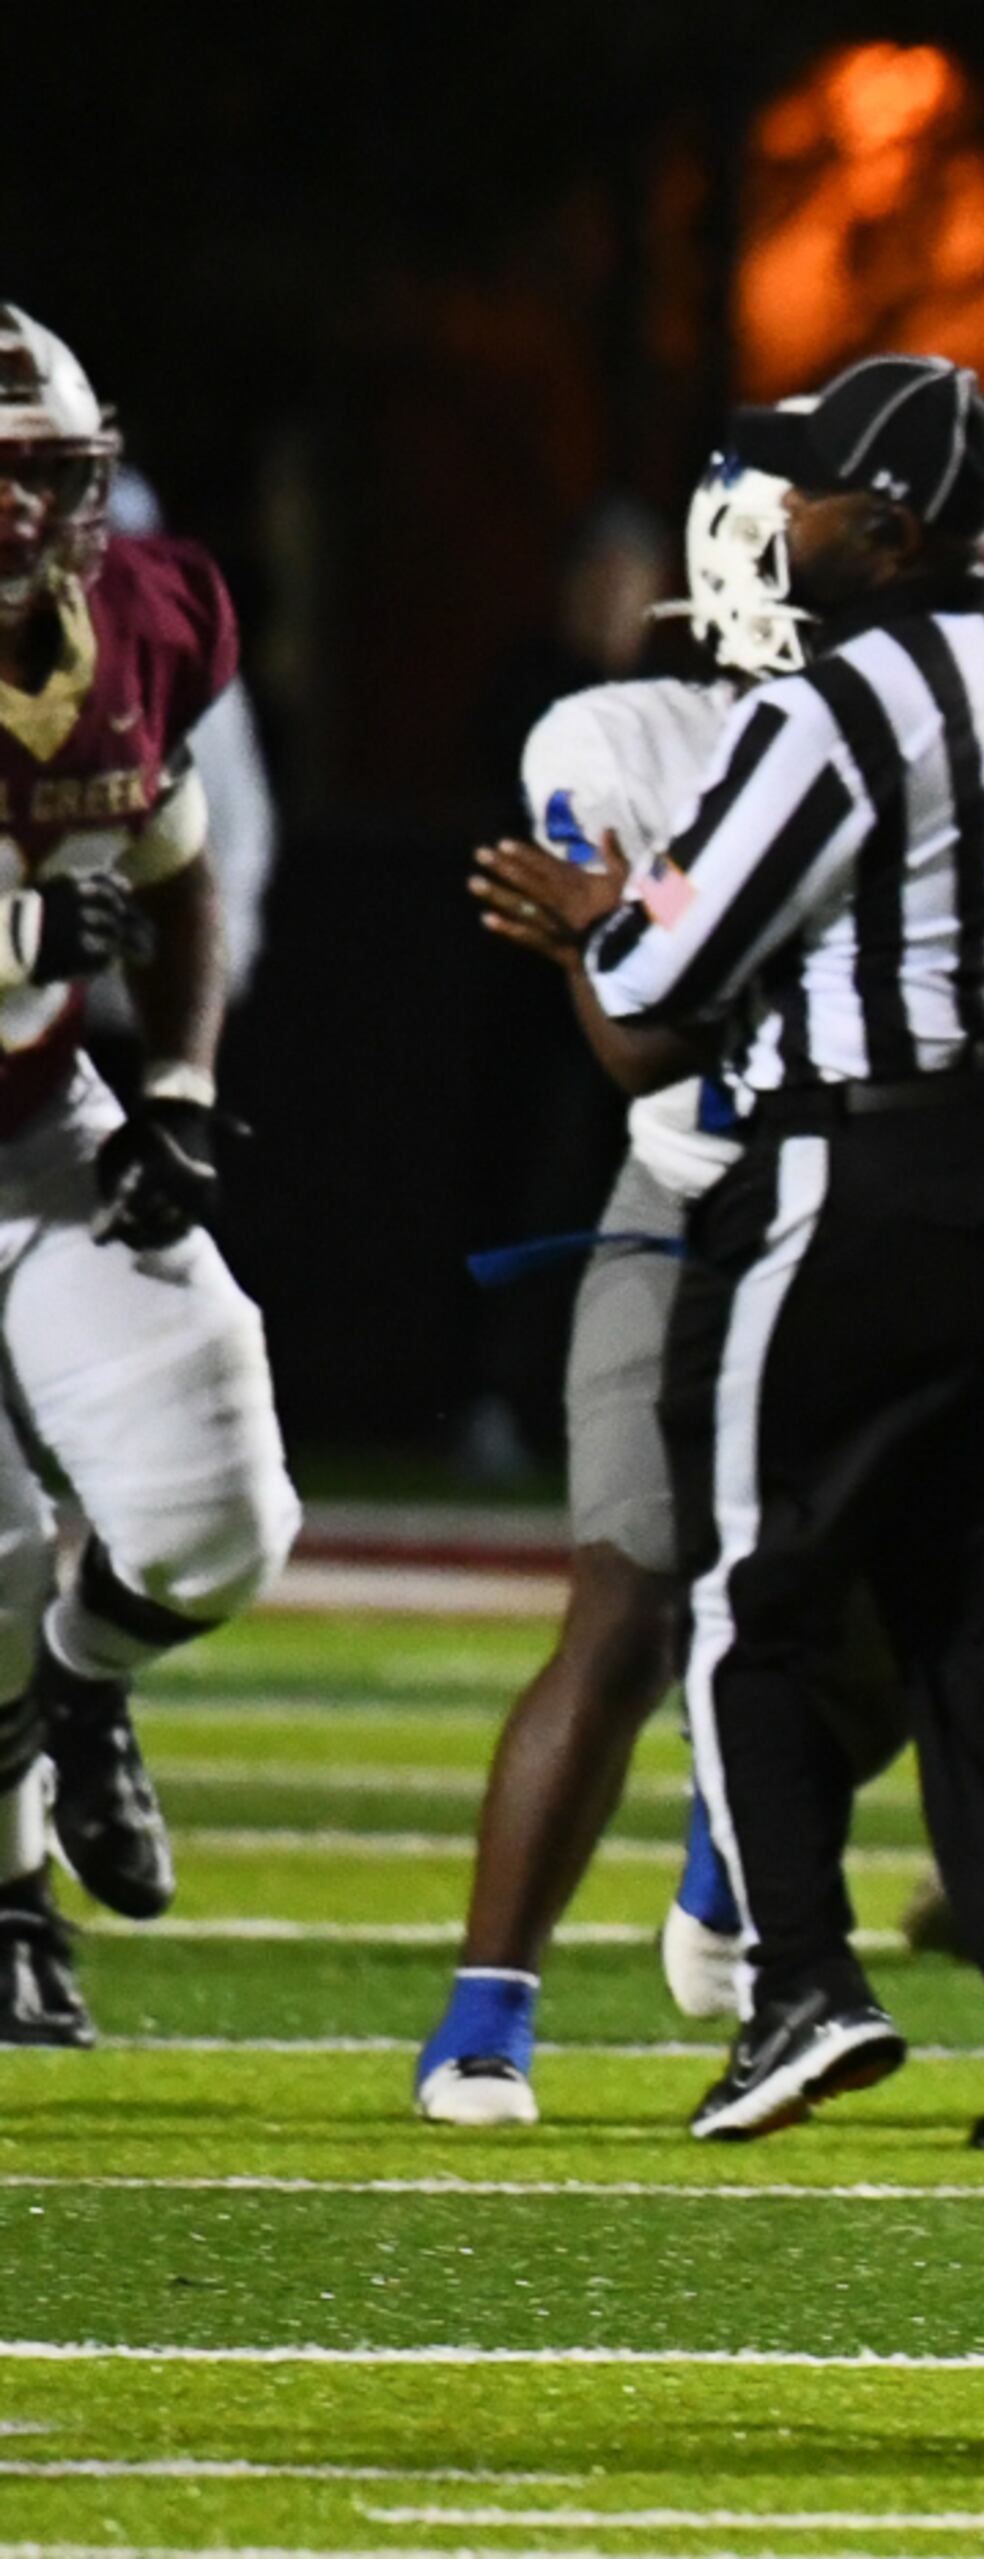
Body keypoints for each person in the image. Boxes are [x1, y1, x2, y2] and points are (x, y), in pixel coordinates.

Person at [476, 354, 984, 2149]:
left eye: (805, 500)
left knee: (751, 1591)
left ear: (889, 526)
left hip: (879, 1171)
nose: (773, 526)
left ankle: (797, 1985)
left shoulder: (835, 704)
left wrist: (601, 917)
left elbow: (659, 983)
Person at [417, 446, 823, 2122]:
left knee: (878, 1607)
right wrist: (634, 944)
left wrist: (625, 921)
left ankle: (737, 1826)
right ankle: (484, 2009)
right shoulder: (617, 735)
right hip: (694, 1195)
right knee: (627, 1600)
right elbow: (634, 1040)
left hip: (882, 1218)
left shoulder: (953, 732)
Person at [0, 305, 303, 2047]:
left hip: (37, 1123)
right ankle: (9, 1899)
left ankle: (83, 1677)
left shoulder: (139, 614)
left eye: (42, 476)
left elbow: (181, 871)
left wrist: (178, 1086)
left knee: (218, 1515)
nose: (21, 518)